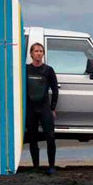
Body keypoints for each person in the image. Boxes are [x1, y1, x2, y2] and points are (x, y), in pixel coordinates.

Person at [25, 42, 59, 175]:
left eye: (41, 51)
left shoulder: (48, 70)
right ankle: (35, 167)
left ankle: (51, 166)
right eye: (36, 51)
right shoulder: (26, 69)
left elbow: (55, 90)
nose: (39, 53)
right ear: (31, 54)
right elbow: (8, 72)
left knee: (50, 137)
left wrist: (53, 108)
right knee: (32, 138)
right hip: (30, 108)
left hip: (44, 108)